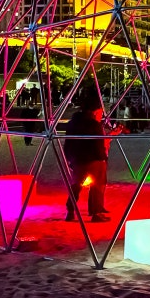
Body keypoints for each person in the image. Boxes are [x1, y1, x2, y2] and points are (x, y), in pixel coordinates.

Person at [63, 94, 110, 222]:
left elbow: (68, 142)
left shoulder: (72, 123)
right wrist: (102, 158)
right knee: (97, 185)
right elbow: (98, 144)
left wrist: (70, 158)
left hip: (77, 159)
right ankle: (96, 213)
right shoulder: (94, 124)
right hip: (94, 159)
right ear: (95, 110)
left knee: (76, 185)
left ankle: (70, 210)